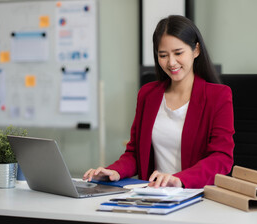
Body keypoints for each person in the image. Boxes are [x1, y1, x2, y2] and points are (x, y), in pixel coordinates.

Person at [83, 15, 235, 188]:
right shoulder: (148, 95)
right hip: (153, 197)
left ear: (196, 50)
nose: (171, 62)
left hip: (195, 196)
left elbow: (221, 158)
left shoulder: (218, 96)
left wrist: (180, 179)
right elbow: (135, 153)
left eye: (178, 53)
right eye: (163, 55)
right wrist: (115, 171)